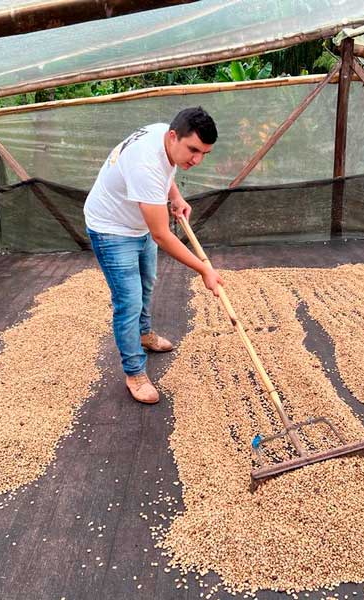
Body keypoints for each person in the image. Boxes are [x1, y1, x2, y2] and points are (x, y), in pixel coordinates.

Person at [84, 107, 224, 404]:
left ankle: (144, 335)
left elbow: (166, 171)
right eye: (193, 150)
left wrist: (175, 196)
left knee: (147, 282)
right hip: (111, 229)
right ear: (174, 136)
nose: (197, 160)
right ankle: (134, 372)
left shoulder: (165, 135)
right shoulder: (145, 164)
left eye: (204, 154)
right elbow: (162, 235)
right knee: (129, 301)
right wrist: (204, 270)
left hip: (138, 222)